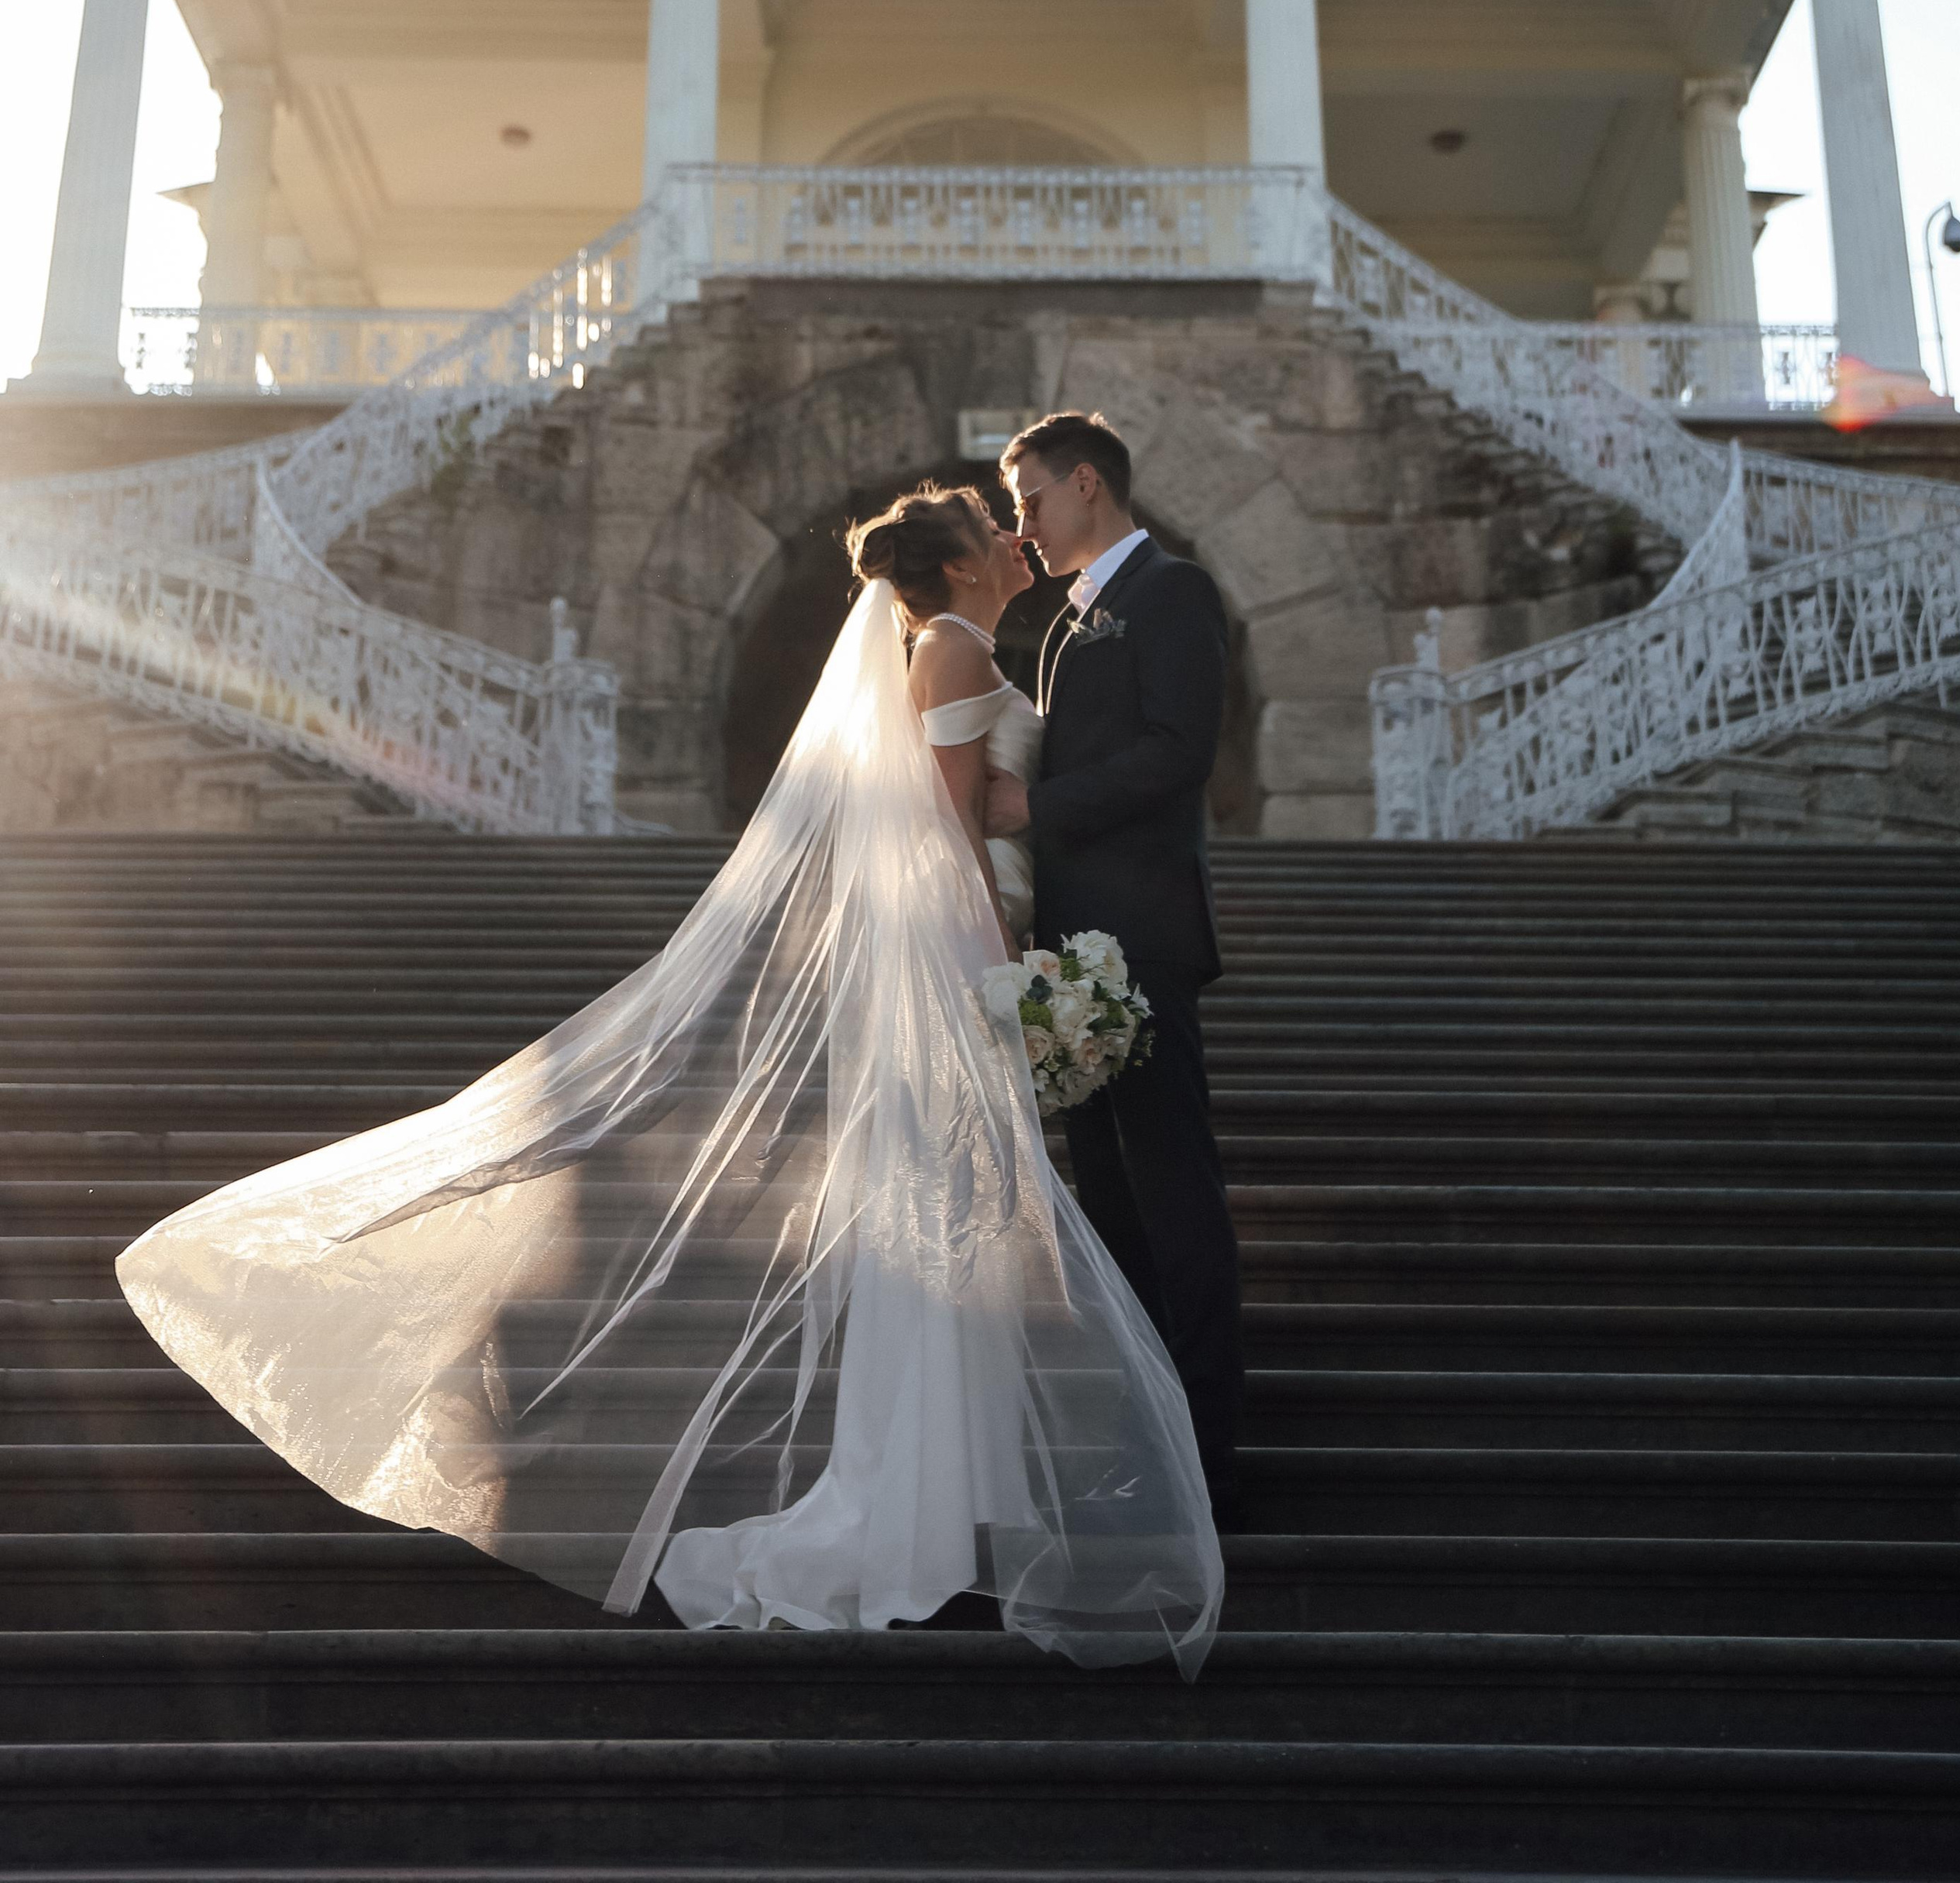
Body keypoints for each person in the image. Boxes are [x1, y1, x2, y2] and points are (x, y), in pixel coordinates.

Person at [115, 481, 1221, 1672]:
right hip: (956, 959)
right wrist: (1005, 968)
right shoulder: (952, 650)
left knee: (950, 1224)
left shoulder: (956, 640)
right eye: (986, 521)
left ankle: (936, 1503)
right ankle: (905, 1511)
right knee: (947, 1221)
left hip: (964, 953)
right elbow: (947, 831)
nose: (1015, 533)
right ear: (954, 570)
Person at [987, 413, 1246, 1527]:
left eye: (1032, 501)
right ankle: (1145, 1438)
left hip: (1140, 936)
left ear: (1088, 483)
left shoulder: (1173, 593)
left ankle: (1212, 1453)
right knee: (1108, 1204)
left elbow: (1176, 752)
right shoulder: (1063, 619)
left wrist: (1033, 810)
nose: (1023, 525)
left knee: (1170, 1188)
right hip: (1072, 956)